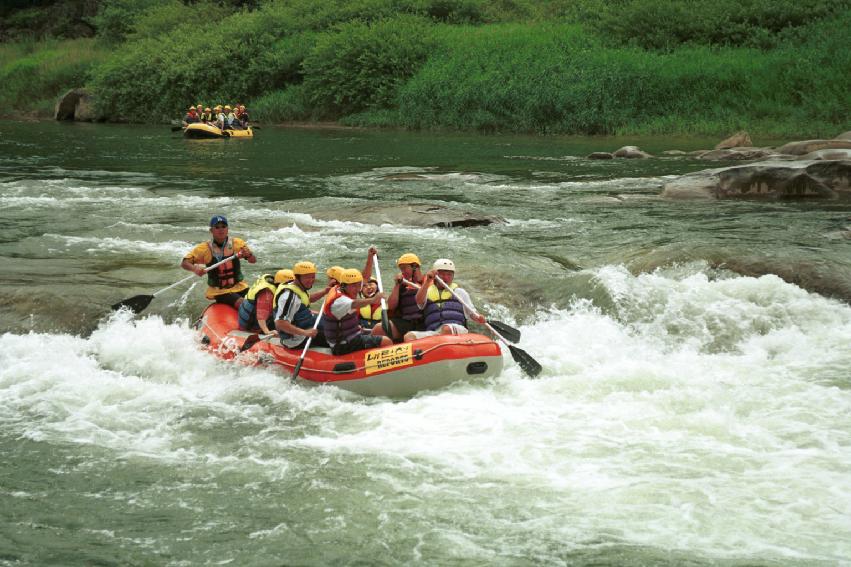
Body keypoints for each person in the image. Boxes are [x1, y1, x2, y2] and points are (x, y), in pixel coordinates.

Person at [181, 215, 256, 308]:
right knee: (244, 304)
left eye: (223, 226)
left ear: (227, 229)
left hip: (240, 286)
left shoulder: (237, 243)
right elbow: (184, 263)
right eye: (217, 227)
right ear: (211, 231)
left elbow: (253, 261)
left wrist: (248, 255)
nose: (221, 230)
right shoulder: (204, 248)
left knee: (258, 302)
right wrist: (195, 268)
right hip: (220, 291)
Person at [404, 258, 485, 342]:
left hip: (457, 330)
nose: (445, 277)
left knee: (446, 329)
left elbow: (472, 313)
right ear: (436, 276)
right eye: (442, 274)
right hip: (435, 332)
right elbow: (419, 301)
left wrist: (478, 318)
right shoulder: (427, 291)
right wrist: (428, 281)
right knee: (409, 336)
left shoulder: (459, 292)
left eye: (449, 274)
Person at [322, 269, 392, 355]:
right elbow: (354, 303)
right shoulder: (339, 300)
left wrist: (370, 256)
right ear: (343, 285)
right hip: (343, 345)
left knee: (376, 332)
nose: (357, 289)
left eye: (359, 285)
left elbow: (365, 277)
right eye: (353, 286)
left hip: (349, 337)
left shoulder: (338, 288)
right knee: (386, 341)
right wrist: (373, 300)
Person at [274, 261, 333, 349]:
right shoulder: (289, 297)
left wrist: (325, 292)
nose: (311, 280)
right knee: (335, 335)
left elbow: (307, 299)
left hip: (305, 324)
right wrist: (306, 333)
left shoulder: (296, 286)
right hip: (296, 339)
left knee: (333, 321)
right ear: (297, 277)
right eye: (307, 277)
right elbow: (280, 323)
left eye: (312, 277)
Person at [237, 269, 292, 334]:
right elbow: (261, 316)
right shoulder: (267, 294)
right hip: (252, 325)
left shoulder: (273, 285)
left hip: (261, 316)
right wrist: (267, 331)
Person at [385, 252, 425, 342]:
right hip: (406, 322)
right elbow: (391, 306)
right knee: (379, 328)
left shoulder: (427, 281)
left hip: (424, 322)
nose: (402, 272)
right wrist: (397, 285)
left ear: (415, 266)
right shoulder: (401, 286)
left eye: (404, 268)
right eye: (400, 269)